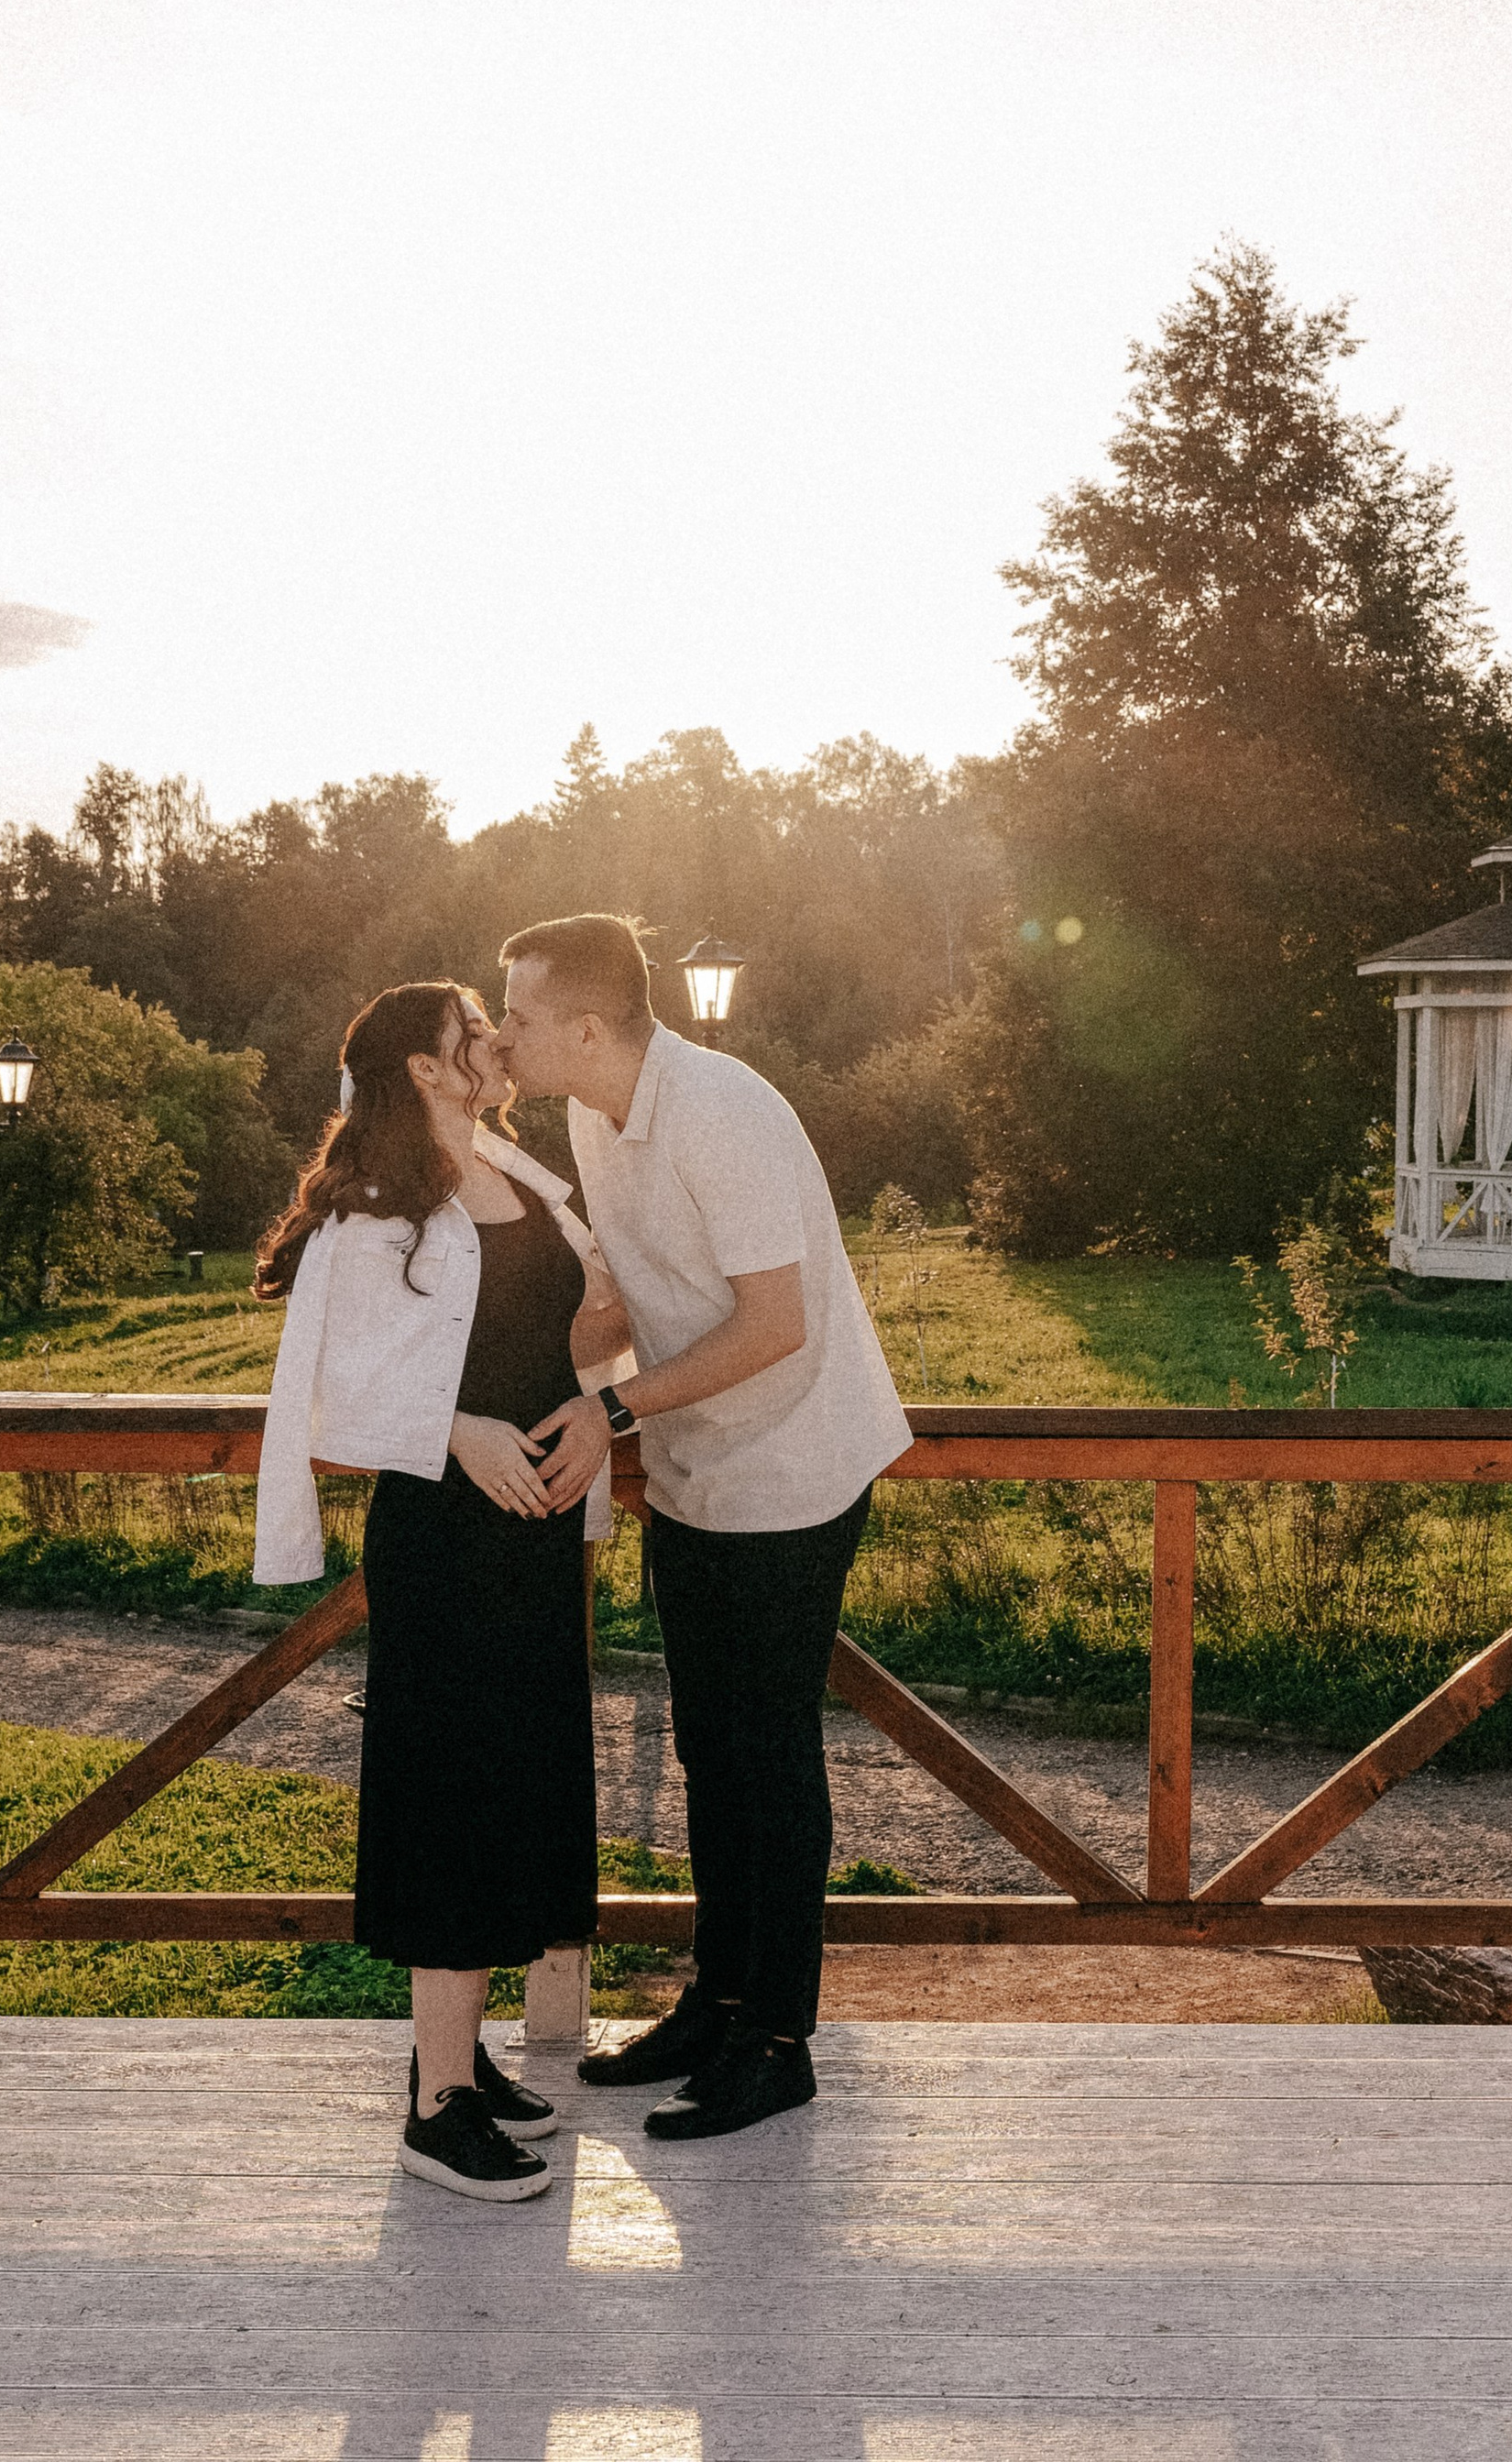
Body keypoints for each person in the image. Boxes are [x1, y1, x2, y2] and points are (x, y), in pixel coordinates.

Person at [499, 914, 911, 2141]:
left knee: (766, 1758)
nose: (501, 1032)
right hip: (694, 1467)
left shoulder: (722, 1110)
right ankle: (715, 2003)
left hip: (792, 1465)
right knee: (708, 1751)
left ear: (583, 1028)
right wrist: (544, 1373)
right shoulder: (588, 1115)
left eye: (515, 1015)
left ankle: (776, 2043)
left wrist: (609, 1405)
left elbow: (773, 1324)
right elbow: (633, 1297)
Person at [253, 979, 618, 2204]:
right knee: (452, 1800)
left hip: (532, 1539)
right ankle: (434, 2111)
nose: (497, 1041)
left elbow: (569, 1343)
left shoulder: (526, 1181)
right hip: (446, 1542)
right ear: (423, 1067)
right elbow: (329, 1403)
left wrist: (598, 1423)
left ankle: (461, 2066)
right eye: (475, 1029)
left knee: (518, 1788)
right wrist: (459, 1435)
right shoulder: (378, 1213)